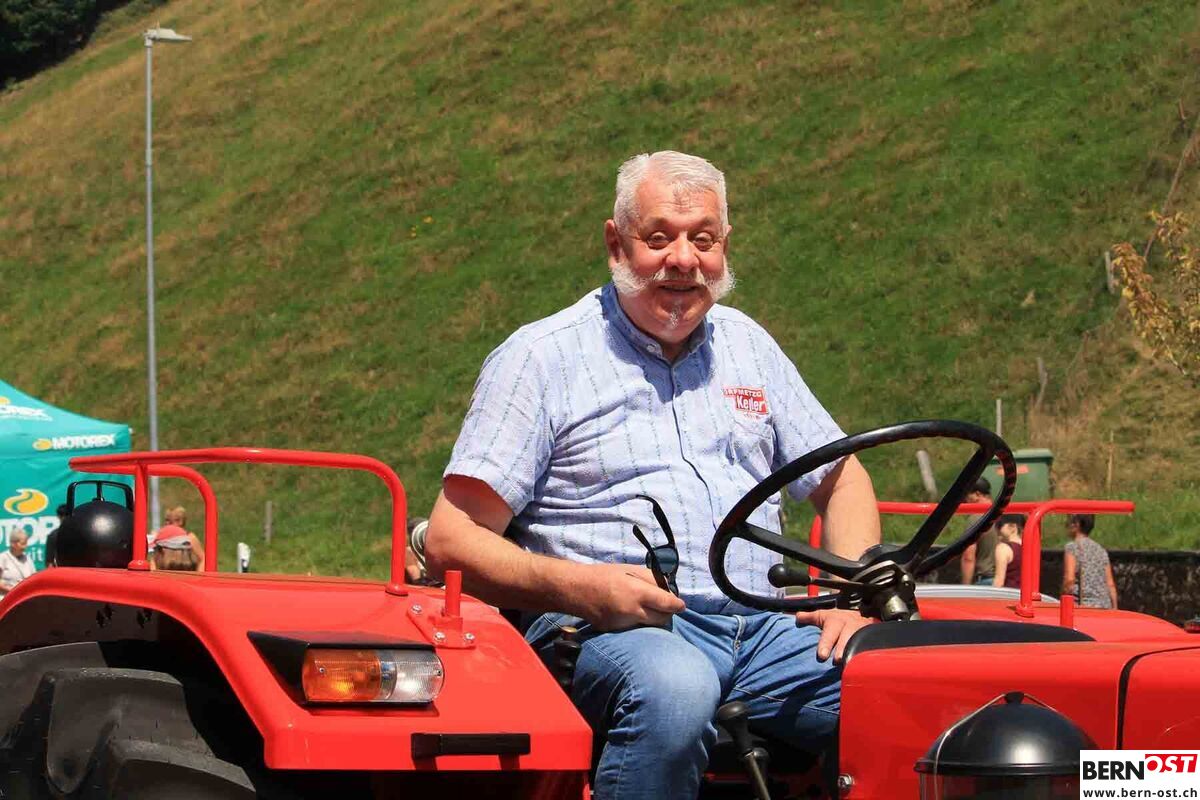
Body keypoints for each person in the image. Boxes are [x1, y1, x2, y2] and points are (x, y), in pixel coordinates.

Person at [426, 151, 882, 800]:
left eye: (703, 239)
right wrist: (585, 589)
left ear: (725, 247)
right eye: (659, 237)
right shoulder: (540, 358)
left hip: (765, 630)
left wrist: (846, 594)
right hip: (611, 629)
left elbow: (842, 479)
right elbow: (453, 539)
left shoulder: (749, 346)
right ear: (616, 243)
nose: (683, 260)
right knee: (675, 689)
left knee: (904, 687)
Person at [1062, 513, 1118, 609]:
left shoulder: (1072, 547)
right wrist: (1115, 608)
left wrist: (1063, 599)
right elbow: (1110, 585)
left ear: (1076, 524)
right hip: (1105, 606)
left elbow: (1069, 581)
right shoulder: (1101, 550)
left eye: (1069, 522)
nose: (1066, 525)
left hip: (1084, 607)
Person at [958, 478, 997, 585]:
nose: (965, 501)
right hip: (1007, 580)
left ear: (977, 494)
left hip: (984, 581)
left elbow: (968, 557)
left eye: (966, 496)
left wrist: (965, 587)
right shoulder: (1006, 514)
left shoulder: (975, 519)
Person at [150, 506, 204, 571]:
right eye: (166, 520)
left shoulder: (190, 537)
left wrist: (199, 574)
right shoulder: (162, 536)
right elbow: (154, 559)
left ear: (180, 521)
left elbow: (203, 558)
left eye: (171, 521)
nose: (167, 523)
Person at [992, 514, 1025, 589]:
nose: (996, 530)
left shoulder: (1003, 548)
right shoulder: (1029, 547)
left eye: (999, 525)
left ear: (1012, 526)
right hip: (1025, 593)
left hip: (1009, 593)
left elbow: (999, 581)